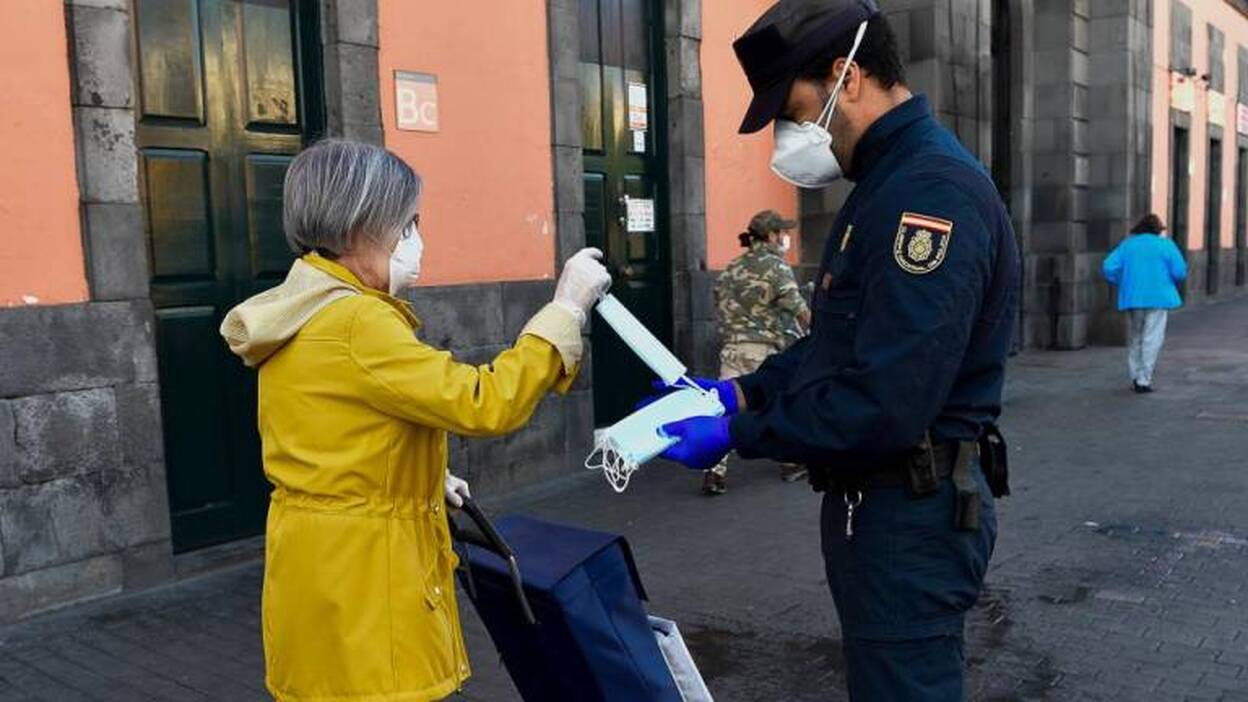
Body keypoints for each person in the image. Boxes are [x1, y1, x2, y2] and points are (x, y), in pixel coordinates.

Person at [652, 1, 1021, 699]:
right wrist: (741, 390)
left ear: (846, 77)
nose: (788, 137)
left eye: (792, 111)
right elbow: (836, 346)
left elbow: (881, 403)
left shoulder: (928, 193)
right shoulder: (887, 180)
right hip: (883, 511)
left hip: (911, 518)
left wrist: (738, 432)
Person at [218, 139, 611, 702]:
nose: (415, 239)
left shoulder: (301, 309)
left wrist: (425, 473)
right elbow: (485, 400)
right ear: (362, 225)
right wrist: (566, 310)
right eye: (407, 223)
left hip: (318, 569)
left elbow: (334, 434)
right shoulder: (357, 320)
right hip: (367, 583)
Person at [705, 209, 811, 494]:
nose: (786, 238)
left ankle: (714, 471)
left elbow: (719, 303)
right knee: (778, 402)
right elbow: (797, 307)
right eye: (783, 233)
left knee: (723, 406)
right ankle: (789, 462)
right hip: (763, 349)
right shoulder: (776, 267)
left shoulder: (731, 268)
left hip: (731, 347)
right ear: (772, 235)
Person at [1102, 213, 1187, 393]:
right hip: (1158, 297)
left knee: (1136, 336)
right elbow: (1180, 272)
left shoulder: (1128, 245)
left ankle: (1135, 375)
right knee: (1152, 338)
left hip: (1134, 297)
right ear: (1158, 229)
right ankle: (1144, 379)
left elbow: (1108, 266)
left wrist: (1122, 280)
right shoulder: (1166, 245)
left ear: (1139, 228)